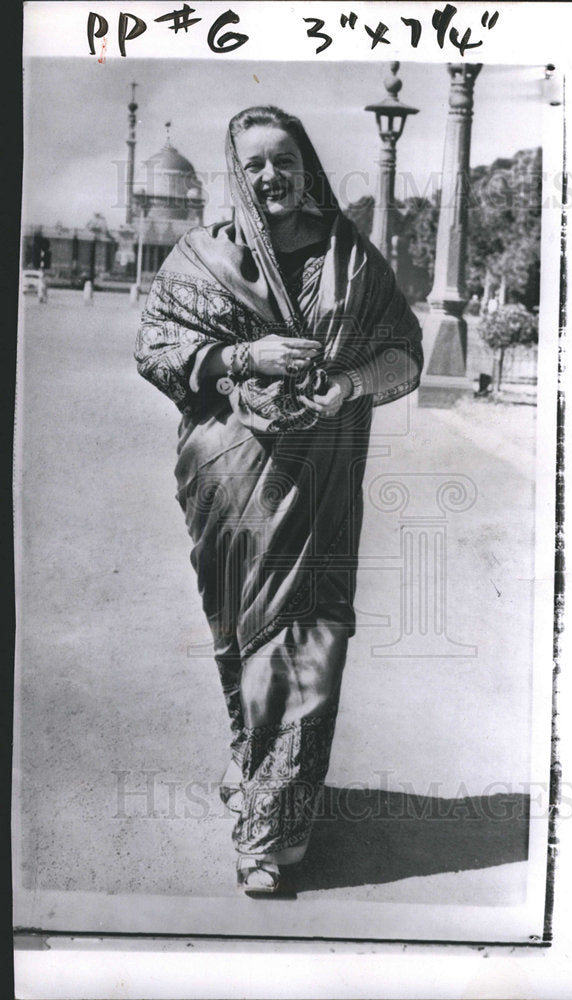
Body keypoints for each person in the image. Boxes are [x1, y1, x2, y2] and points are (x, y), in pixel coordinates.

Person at [135, 106, 423, 895]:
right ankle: (250, 751)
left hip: (320, 482)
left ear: (307, 166)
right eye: (254, 163)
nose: (270, 177)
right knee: (242, 636)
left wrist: (348, 387)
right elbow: (154, 346)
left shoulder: (352, 261)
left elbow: (404, 354)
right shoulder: (201, 255)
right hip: (227, 482)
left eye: (284, 160)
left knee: (304, 641)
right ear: (236, 171)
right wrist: (242, 353)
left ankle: (273, 830)